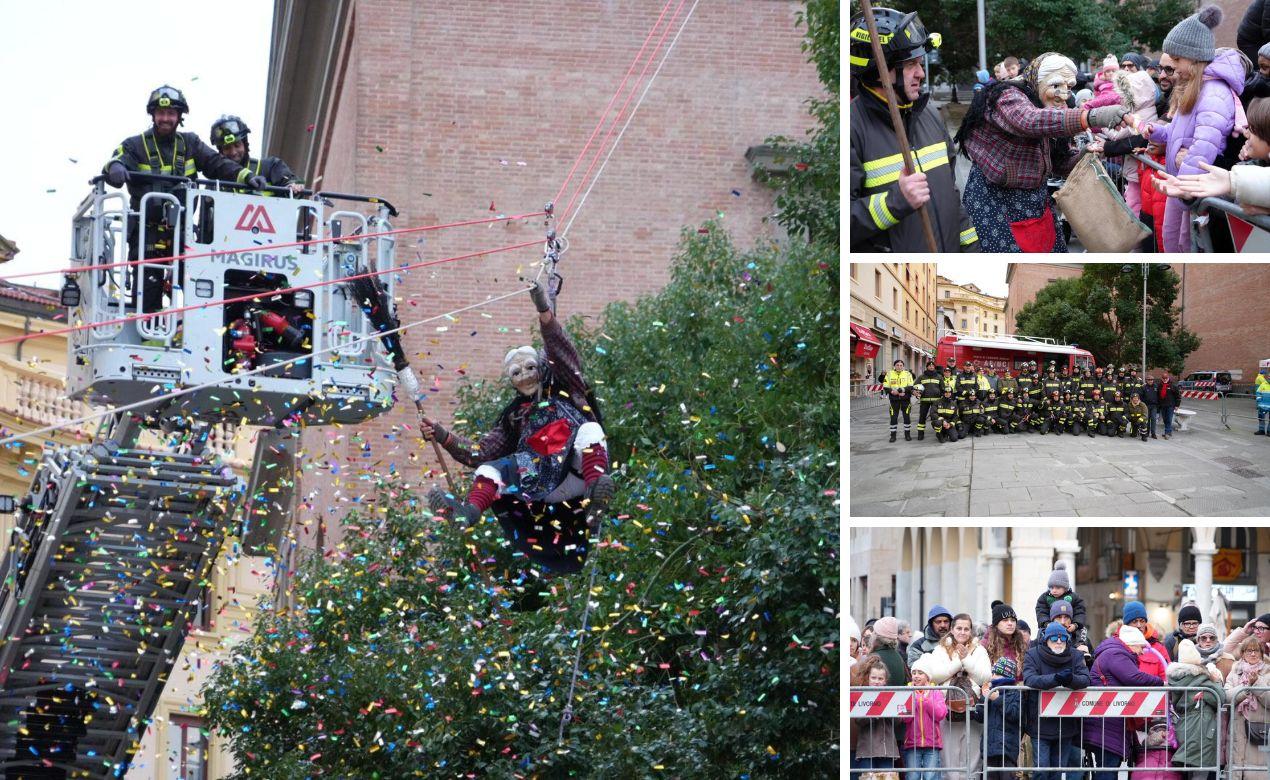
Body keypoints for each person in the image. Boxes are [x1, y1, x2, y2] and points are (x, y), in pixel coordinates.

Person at [423, 282, 615, 569]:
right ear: (511, 381)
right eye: (516, 373)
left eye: (529, 368)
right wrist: (443, 436)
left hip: (577, 472)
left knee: (590, 430)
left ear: (541, 367)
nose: (524, 376)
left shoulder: (567, 388)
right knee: (489, 468)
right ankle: (468, 513)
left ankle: (597, 493)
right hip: (541, 482)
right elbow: (479, 452)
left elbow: (563, 353)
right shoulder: (514, 416)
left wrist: (545, 314)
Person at [103, 85, 262, 312]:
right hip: (146, 232)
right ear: (153, 115)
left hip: (183, 232)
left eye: (171, 113)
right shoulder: (134, 145)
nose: (165, 118)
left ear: (179, 116)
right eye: (161, 113)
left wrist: (246, 176)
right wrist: (115, 167)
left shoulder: (190, 143)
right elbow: (116, 160)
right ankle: (149, 335)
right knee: (148, 291)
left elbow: (216, 164)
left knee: (198, 291)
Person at [954, 52, 1128, 252]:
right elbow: (1029, 121)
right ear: (1039, 81)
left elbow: (1059, 164)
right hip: (994, 201)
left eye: (1069, 87)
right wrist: (1092, 117)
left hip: (1034, 202)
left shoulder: (1051, 104)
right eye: (1056, 86)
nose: (1064, 94)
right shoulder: (1007, 95)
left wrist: (1085, 153)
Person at [849, 9, 979, 252]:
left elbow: (951, 194)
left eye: (920, 63)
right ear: (878, 70)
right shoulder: (852, 128)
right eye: (910, 65)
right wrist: (894, 202)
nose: (920, 73)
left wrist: (971, 247)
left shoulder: (929, 113)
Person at [1140, 6, 1243, 251]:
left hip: (1189, 187)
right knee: (1174, 239)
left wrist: (1181, 183)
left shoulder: (1214, 92)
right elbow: (1177, 132)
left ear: (1194, 57)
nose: (1173, 67)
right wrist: (1155, 131)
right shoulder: (1196, 89)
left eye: (1176, 60)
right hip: (1183, 184)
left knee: (1186, 244)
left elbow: (1203, 145)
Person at [1084, 624, 1166, 780]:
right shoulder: (1116, 654)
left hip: (1107, 721)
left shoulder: (1113, 652)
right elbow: (1134, 677)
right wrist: (1160, 682)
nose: (1142, 651)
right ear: (1132, 644)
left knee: (1107, 767)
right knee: (1107, 770)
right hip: (1107, 722)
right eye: (1141, 647)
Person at [926, 613, 992, 780]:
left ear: (971, 631)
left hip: (973, 708)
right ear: (952, 629)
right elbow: (935, 675)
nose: (962, 632)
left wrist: (966, 660)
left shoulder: (979, 649)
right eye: (959, 628)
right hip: (947, 708)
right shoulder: (940, 649)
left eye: (966, 629)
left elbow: (985, 677)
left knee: (972, 754)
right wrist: (958, 662)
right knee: (949, 755)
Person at [1024, 622, 1091, 780]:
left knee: (1057, 770)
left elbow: (1085, 679)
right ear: (1046, 639)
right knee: (1041, 770)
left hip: (1065, 725)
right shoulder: (1033, 654)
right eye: (1054, 638)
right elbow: (1030, 679)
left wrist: (1070, 680)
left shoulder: (1075, 655)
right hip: (1040, 724)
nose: (1059, 641)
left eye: (1062, 638)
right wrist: (1055, 679)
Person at [980, 602, 1026, 780]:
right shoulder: (985, 646)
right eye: (1005, 620)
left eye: (1013, 620)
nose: (1010, 623)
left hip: (1015, 702)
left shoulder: (1021, 644)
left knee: (1012, 763)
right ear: (996, 623)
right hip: (991, 703)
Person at [1168, 639, 1226, 780]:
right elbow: (1220, 698)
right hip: (1202, 726)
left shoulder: (1175, 679)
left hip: (1184, 725)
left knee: (1189, 770)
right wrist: (1216, 681)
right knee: (1201, 770)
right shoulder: (1202, 679)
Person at [209, 115, 304, 194]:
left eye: (237, 145)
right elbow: (206, 215)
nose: (233, 152)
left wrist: (295, 186)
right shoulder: (213, 183)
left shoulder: (270, 166)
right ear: (221, 151)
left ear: (245, 145)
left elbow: (295, 183)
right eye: (227, 148)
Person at [1225, 636, 1270, 780]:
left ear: (1261, 654)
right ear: (1243, 653)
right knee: (1237, 769)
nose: (1253, 654)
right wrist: (1245, 688)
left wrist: (1256, 683)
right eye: (1249, 651)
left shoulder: (1268, 673)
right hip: (1237, 730)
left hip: (1260, 732)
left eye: (1256, 651)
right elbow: (1226, 697)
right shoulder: (1234, 672)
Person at [851, 655, 902, 773]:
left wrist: (888, 711)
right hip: (867, 749)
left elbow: (898, 721)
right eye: (873, 678)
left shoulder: (891, 696)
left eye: (880, 679)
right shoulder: (862, 695)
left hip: (886, 749)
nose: (876, 681)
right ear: (868, 678)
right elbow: (858, 720)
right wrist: (874, 713)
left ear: (885, 680)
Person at [904, 655, 949, 780]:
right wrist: (915, 700)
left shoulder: (936, 692)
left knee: (931, 776)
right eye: (914, 673)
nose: (916, 676)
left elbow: (940, 714)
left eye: (920, 673)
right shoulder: (907, 692)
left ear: (928, 677)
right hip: (912, 743)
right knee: (913, 776)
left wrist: (925, 700)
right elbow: (905, 718)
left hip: (932, 744)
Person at [872, 616, 912, 685]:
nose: (871, 634)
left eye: (874, 631)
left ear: (877, 635)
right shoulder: (898, 657)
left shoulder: (873, 658)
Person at [884, 359, 916, 442]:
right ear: (894, 366)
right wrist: (892, 391)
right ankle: (893, 436)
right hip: (894, 400)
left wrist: (900, 390)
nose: (899, 367)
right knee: (893, 417)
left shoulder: (908, 374)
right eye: (897, 365)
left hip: (905, 399)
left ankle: (907, 435)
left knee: (906, 417)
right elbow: (886, 386)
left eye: (901, 365)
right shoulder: (889, 374)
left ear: (903, 366)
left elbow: (910, 386)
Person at [916, 359, 944, 441]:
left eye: (933, 366)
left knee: (935, 417)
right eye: (929, 366)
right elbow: (915, 386)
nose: (931, 367)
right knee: (922, 417)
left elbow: (943, 388)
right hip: (924, 400)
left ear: (934, 367)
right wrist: (916, 393)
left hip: (936, 401)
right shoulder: (921, 377)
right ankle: (920, 433)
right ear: (927, 367)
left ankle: (938, 433)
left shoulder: (939, 377)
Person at [1158, 370, 1182, 439]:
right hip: (1163, 405)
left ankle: (1167, 433)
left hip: (1170, 406)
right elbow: (1158, 395)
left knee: (1169, 419)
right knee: (1165, 419)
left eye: (1166, 378)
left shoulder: (1173, 385)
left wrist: (1177, 405)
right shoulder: (1160, 385)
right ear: (1162, 378)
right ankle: (1169, 431)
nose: (1165, 379)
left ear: (1168, 378)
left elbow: (1178, 396)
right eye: (1163, 378)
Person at [1142, 375, 1161, 439]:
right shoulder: (1144, 387)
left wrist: (1158, 405)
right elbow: (1141, 397)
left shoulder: (1156, 387)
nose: (1150, 381)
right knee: (1147, 419)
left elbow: (1159, 396)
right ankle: (1147, 432)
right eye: (1149, 380)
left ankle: (1153, 433)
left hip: (1154, 406)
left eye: (1151, 380)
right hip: (1146, 406)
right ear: (1147, 380)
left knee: (1153, 419)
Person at [1257, 367, 1270, 435]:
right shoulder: (1263, 384)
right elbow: (1258, 392)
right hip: (1262, 405)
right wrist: (1259, 401)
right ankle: (1261, 430)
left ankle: (1269, 431)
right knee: (1261, 418)